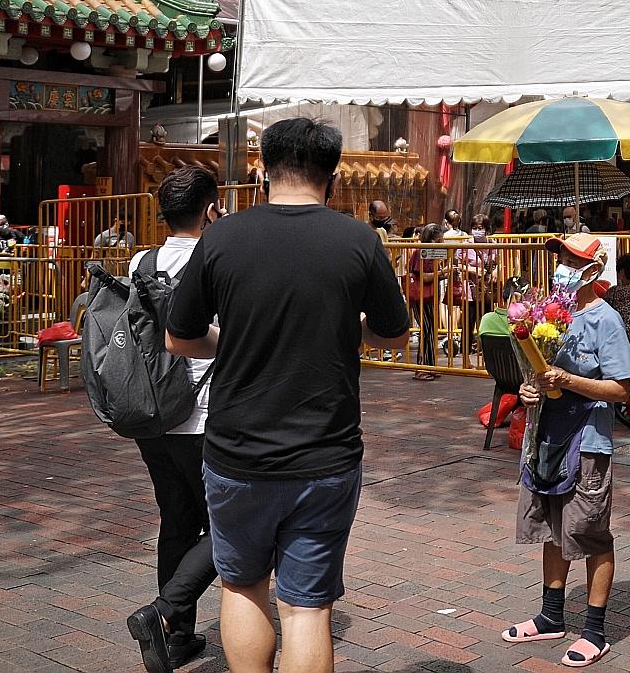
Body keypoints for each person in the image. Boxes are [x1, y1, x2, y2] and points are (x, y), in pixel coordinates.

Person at [165, 118, 410, 673]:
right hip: (326, 453)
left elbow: (179, 338)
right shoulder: (358, 240)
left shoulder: (221, 237)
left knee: (243, 585)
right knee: (306, 608)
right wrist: (351, 329)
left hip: (237, 450)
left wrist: (229, 340)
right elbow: (395, 334)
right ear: (333, 178)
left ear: (263, 172)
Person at [507, 233, 630, 668]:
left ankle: (595, 631)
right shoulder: (549, 313)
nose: (563, 267)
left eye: (573, 260)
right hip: (546, 437)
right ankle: (551, 616)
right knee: (550, 525)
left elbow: (621, 389)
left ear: (594, 270)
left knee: (589, 531)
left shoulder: (606, 319)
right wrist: (529, 388)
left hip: (588, 441)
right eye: (561, 258)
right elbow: (536, 371)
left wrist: (568, 381)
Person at [127, 168, 224, 673]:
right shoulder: (217, 259)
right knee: (229, 525)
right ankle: (164, 614)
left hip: (153, 414)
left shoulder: (140, 261)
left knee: (177, 521)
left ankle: (178, 638)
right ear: (210, 210)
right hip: (204, 415)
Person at [408, 223, 444, 380]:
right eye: (440, 238)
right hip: (420, 297)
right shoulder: (420, 252)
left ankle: (430, 365)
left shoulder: (432, 253)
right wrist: (442, 273)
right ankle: (421, 368)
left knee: (431, 332)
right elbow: (424, 277)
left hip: (430, 297)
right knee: (426, 330)